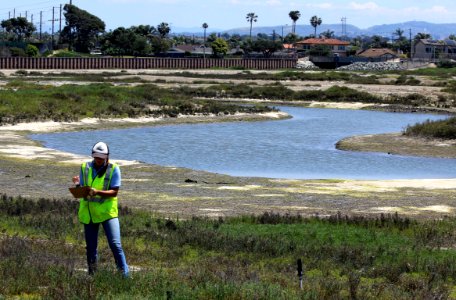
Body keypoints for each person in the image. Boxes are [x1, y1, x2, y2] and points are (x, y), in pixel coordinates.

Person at [72, 141, 129, 277]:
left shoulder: (114, 169)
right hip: (89, 213)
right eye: (96, 158)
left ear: (106, 157)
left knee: (115, 245)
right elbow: (83, 189)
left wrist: (97, 192)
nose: (98, 161)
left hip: (107, 213)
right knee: (91, 248)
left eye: (101, 159)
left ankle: (125, 276)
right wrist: (77, 185)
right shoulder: (84, 167)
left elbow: (114, 192)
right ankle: (92, 276)